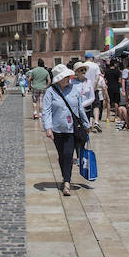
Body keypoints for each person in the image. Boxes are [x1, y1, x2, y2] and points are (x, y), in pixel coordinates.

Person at [44, 64, 90, 196]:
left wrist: (86, 124)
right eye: (65, 77)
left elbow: (80, 108)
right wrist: (48, 128)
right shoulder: (50, 92)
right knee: (62, 155)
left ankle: (67, 182)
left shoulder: (74, 89)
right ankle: (65, 176)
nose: (68, 78)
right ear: (59, 79)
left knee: (69, 154)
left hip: (72, 128)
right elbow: (47, 111)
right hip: (57, 129)